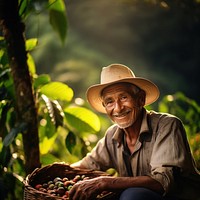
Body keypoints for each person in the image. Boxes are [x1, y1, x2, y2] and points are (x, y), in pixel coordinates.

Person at [69, 63, 200, 200]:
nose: (118, 108)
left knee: (132, 195)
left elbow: (162, 181)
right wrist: (58, 170)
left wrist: (105, 182)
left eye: (124, 97)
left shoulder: (167, 126)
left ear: (140, 99)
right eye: (110, 102)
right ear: (105, 106)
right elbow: (87, 165)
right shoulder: (112, 134)